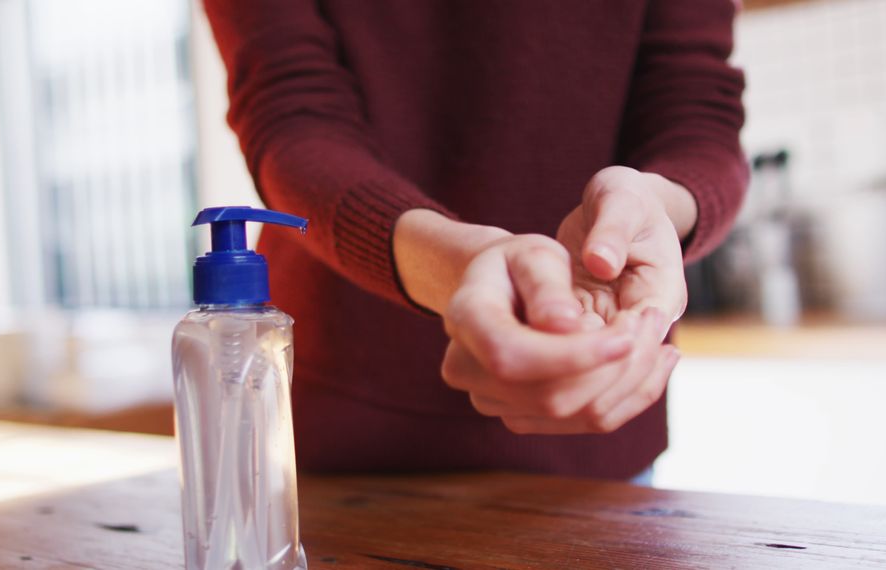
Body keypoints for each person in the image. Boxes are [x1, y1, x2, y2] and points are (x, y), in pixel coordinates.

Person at [203, 0, 747, 480]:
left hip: (599, 448)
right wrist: (459, 265)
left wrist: (655, 206)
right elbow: (292, 115)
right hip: (349, 444)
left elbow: (695, 107)